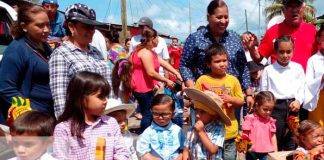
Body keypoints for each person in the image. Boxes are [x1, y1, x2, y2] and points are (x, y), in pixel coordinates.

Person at [49, 3, 112, 118]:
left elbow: (109, 90)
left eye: (92, 27)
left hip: (104, 119)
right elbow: (60, 98)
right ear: (71, 27)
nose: (91, 31)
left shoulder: (96, 52)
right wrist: (67, 128)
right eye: (86, 27)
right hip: (79, 122)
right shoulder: (61, 54)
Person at [52, 71, 129, 159]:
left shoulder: (111, 123)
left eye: (106, 97)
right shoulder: (64, 129)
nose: (105, 101)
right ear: (81, 97)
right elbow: (60, 157)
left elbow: (122, 151)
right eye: (100, 97)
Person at [0, 4, 54, 124]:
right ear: (24, 26)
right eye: (40, 25)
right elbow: (6, 88)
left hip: (46, 117)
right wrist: (28, 112)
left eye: (48, 24)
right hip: (29, 123)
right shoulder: (17, 50)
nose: (46, 30)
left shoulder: (45, 47)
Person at [195, 43, 245, 159]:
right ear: (208, 64)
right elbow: (198, 105)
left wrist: (231, 99)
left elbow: (241, 102)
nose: (222, 64)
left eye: (225, 60)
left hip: (229, 131)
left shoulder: (233, 80)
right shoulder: (202, 80)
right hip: (210, 133)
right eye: (217, 61)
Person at [129, 27, 182, 133]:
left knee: (148, 112)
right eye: (158, 37)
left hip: (145, 87)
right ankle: (145, 136)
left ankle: (148, 134)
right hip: (142, 88)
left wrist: (176, 73)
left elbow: (162, 62)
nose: (159, 40)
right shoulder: (145, 53)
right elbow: (151, 72)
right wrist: (166, 80)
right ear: (152, 38)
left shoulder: (149, 52)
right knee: (148, 113)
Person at [243, 0, 317, 71]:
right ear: (283, 10)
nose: (294, 10)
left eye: (297, 5)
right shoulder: (273, 31)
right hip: (278, 82)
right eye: (290, 6)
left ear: (303, 8)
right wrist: (251, 48)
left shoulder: (313, 30)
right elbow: (258, 58)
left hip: (305, 82)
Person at [260, 35, 305, 151]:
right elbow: (263, 91)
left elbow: (302, 88)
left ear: (293, 50)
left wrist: (298, 101)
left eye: (288, 52)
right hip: (275, 108)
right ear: (275, 51)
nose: (285, 55)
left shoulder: (297, 68)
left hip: (293, 107)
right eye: (281, 52)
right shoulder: (268, 70)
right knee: (275, 137)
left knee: (292, 137)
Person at [183, 88, 231, 160]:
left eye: (202, 112)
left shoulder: (218, 128)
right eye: (196, 111)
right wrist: (185, 156)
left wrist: (201, 132)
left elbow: (213, 150)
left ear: (213, 115)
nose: (197, 115)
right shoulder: (192, 128)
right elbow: (186, 149)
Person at [136, 94, 185, 160]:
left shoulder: (178, 130)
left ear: (173, 114)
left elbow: (183, 149)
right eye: (156, 114)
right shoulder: (148, 132)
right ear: (151, 112)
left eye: (165, 114)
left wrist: (180, 157)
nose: (160, 117)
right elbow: (143, 152)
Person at [242, 91, 278, 160]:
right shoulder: (250, 119)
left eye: (270, 110)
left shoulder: (270, 121)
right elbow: (245, 134)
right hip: (251, 152)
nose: (268, 112)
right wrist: (244, 146)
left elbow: (273, 136)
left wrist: (275, 152)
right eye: (265, 109)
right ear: (257, 105)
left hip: (267, 152)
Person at [304, 26, 324, 126]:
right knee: (317, 129)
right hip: (318, 99)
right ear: (318, 39)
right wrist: (321, 79)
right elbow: (308, 83)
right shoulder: (313, 60)